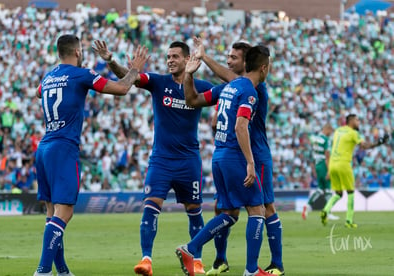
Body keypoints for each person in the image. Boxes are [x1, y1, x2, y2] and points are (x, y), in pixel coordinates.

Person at [33, 35, 149, 276]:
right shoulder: (81, 74)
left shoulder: (49, 76)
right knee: (65, 213)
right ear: (77, 52)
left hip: (44, 147)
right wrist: (135, 69)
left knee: (52, 213)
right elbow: (122, 88)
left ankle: (62, 270)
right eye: (82, 51)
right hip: (63, 147)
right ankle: (43, 271)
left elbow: (38, 92)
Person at [96, 40, 213, 276]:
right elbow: (130, 78)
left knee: (194, 210)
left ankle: (197, 262)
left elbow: (226, 95)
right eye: (168, 56)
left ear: (188, 59)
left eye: (175, 56)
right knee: (151, 206)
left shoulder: (201, 86)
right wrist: (111, 61)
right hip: (161, 160)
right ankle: (146, 260)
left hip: (189, 161)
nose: (170, 60)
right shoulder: (159, 83)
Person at [176, 45, 271, 276]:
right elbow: (241, 125)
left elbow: (194, 100)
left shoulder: (230, 87)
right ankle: (251, 270)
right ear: (264, 68)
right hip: (234, 156)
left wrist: (192, 70)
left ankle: (191, 247)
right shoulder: (249, 91)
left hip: (219, 156)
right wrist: (250, 162)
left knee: (228, 214)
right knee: (257, 211)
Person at [194, 37, 284, 276]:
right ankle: (221, 259)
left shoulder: (253, 86)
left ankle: (276, 264)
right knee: (223, 209)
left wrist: (204, 57)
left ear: (247, 63)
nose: (228, 61)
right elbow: (202, 102)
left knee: (266, 207)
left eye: (234, 57)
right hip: (234, 156)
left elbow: (230, 80)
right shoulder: (235, 88)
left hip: (255, 155)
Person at [321, 114, 389, 228]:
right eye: (357, 120)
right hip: (343, 164)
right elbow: (364, 146)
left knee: (338, 193)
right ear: (351, 121)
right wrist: (379, 142)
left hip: (333, 164)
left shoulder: (338, 130)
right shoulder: (353, 133)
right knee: (350, 192)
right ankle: (349, 220)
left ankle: (326, 210)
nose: (359, 122)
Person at [302, 123, 339, 221]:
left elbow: (314, 155)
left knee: (320, 189)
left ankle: (308, 205)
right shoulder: (326, 140)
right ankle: (328, 212)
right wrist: (329, 170)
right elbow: (327, 155)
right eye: (330, 131)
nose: (330, 134)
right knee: (328, 189)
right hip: (323, 164)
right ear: (327, 129)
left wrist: (314, 168)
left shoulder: (316, 139)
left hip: (317, 165)